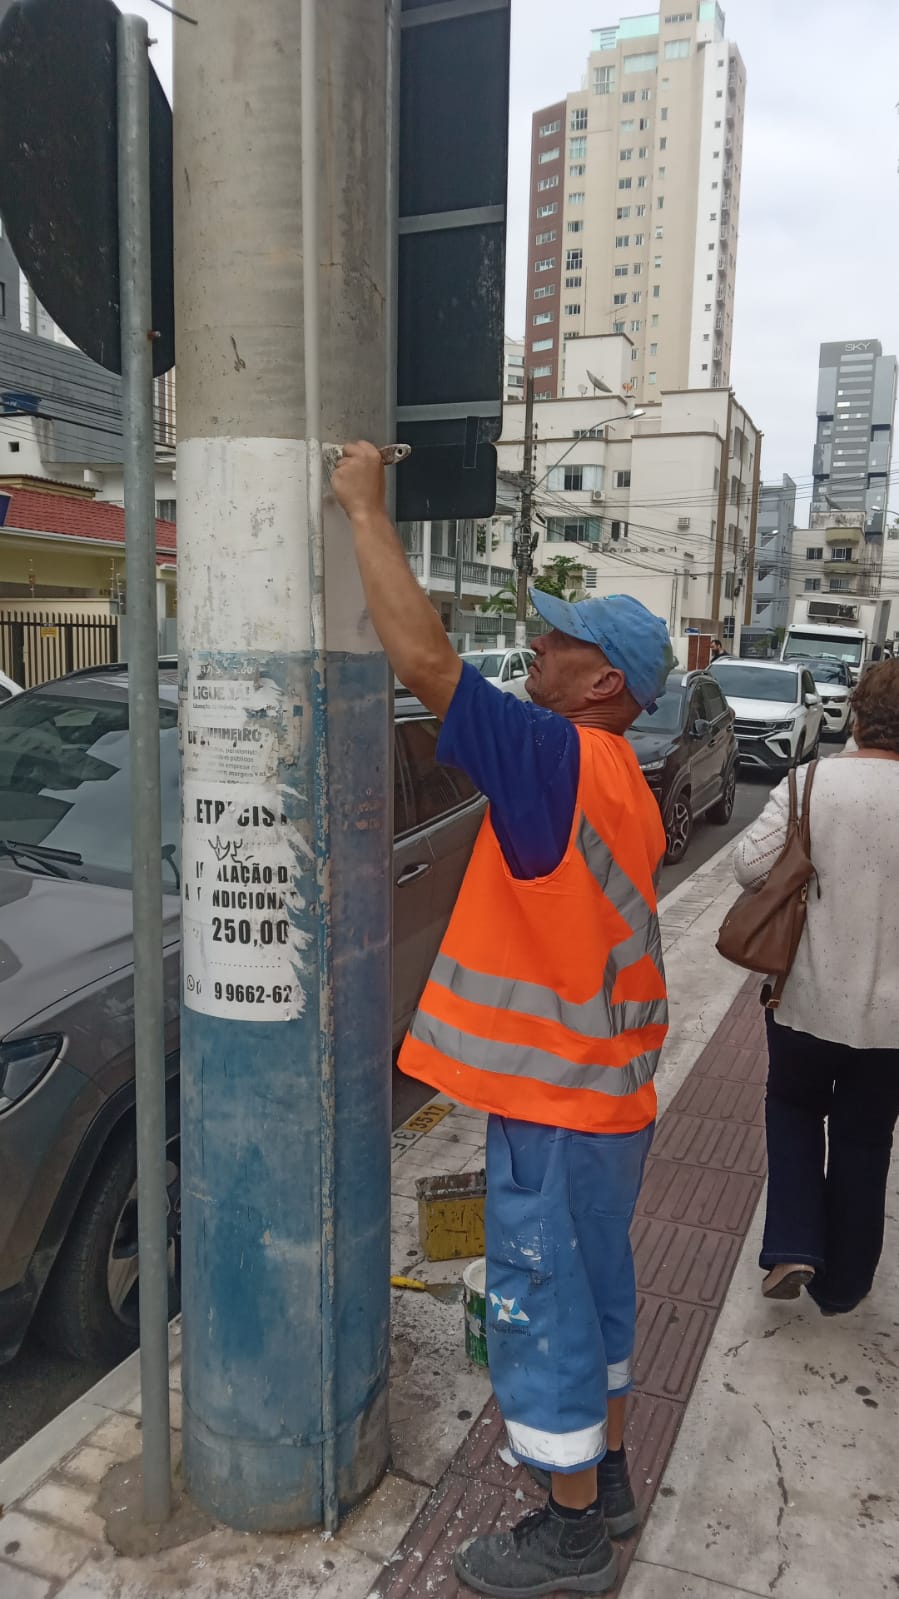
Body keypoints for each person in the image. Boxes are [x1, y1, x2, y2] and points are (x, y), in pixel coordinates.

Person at [332, 442, 674, 1599]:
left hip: (557, 1107)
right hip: (607, 1104)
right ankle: (610, 1482)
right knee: (600, 1296)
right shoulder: (617, 778)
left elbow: (425, 662)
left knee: (541, 1310)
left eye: (561, 640)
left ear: (603, 686)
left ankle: (569, 1531)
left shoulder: (557, 763)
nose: (540, 643)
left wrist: (361, 506)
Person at [733, 659, 899, 1314]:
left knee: (794, 1108)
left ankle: (795, 1244)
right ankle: (845, 1284)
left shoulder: (810, 783)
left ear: (856, 715)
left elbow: (748, 866)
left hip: (803, 997)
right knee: (866, 1136)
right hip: (891, 1025)